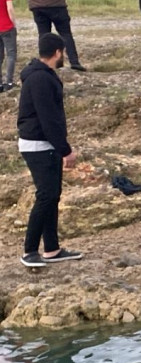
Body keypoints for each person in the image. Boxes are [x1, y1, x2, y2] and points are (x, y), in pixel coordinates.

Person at [17, 33, 82, 267]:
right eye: (62, 52)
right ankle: (29, 251)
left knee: (52, 195)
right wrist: (65, 150)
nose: (63, 56)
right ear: (57, 52)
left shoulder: (39, 75)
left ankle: (52, 249)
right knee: (46, 195)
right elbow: (48, 119)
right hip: (38, 145)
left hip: (43, 144)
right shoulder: (40, 79)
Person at [27, 0, 85, 71]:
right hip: (57, 5)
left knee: (43, 35)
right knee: (65, 34)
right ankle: (74, 62)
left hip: (37, 5)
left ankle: (44, 62)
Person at [0, 0, 16, 91]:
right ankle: (9, 82)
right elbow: (10, 8)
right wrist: (13, 23)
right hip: (6, 26)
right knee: (11, 55)